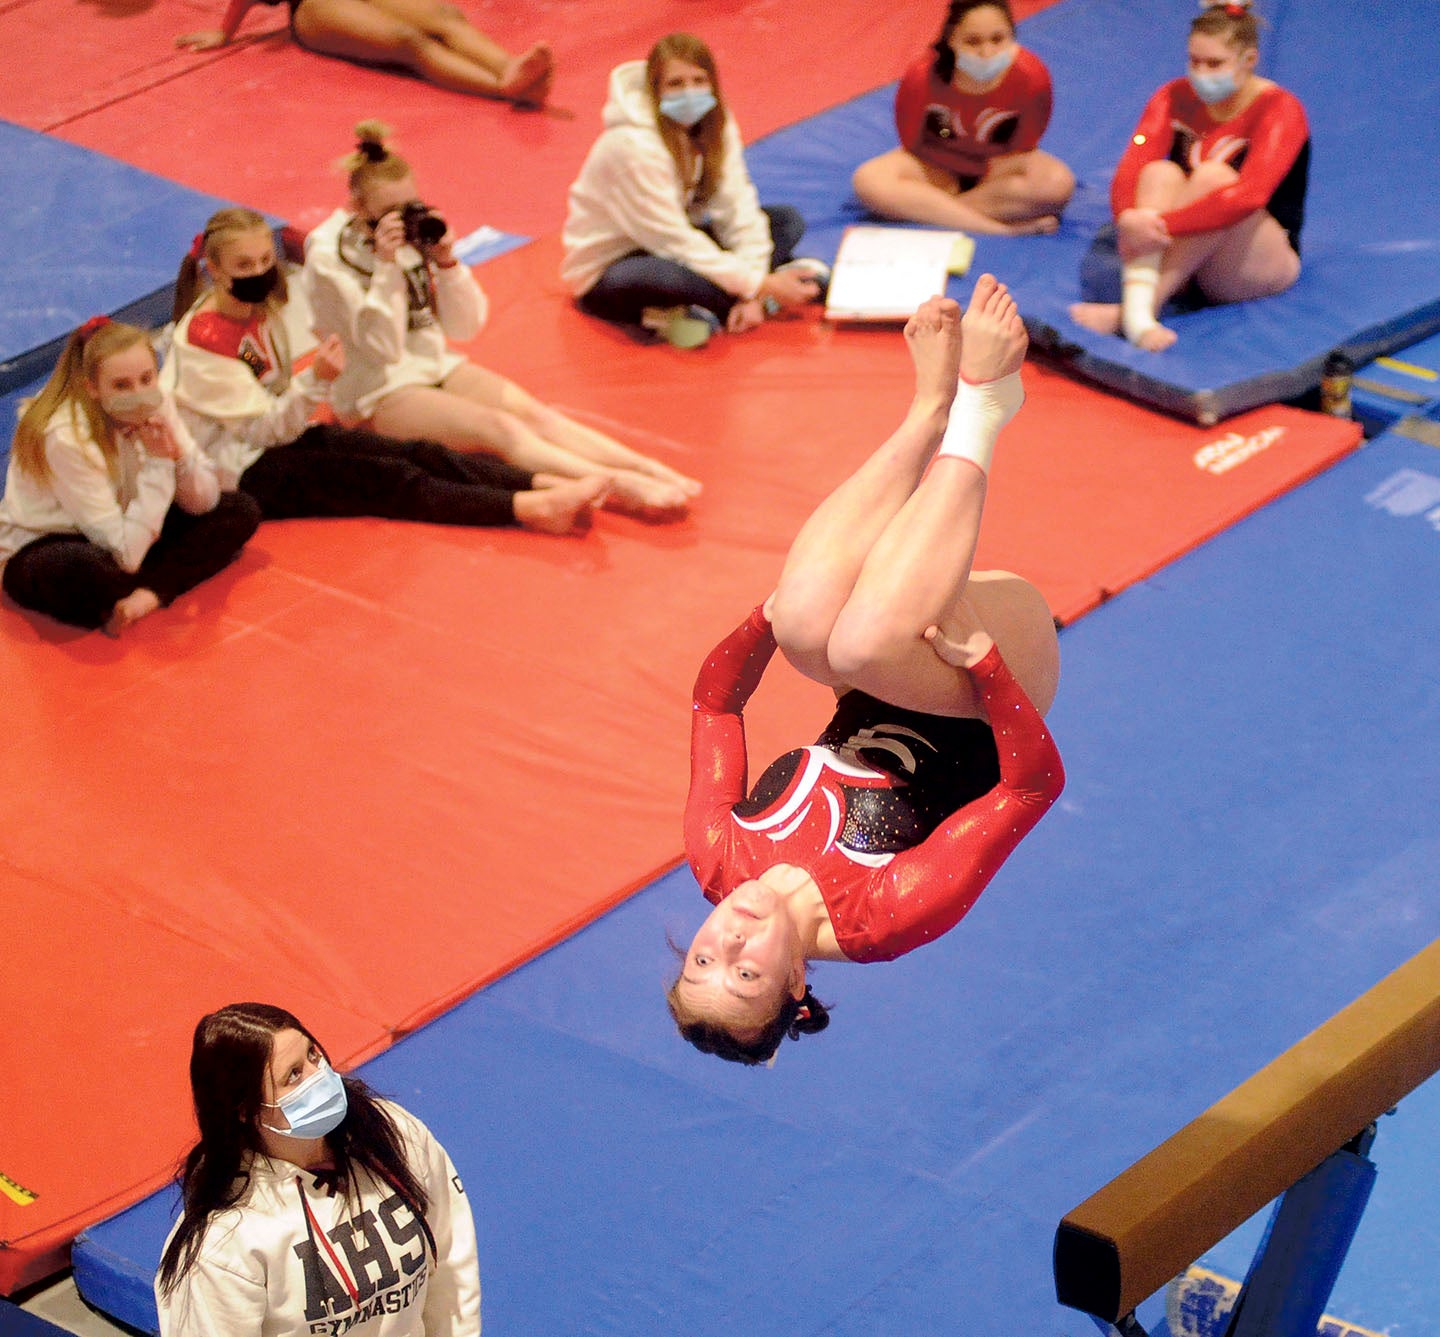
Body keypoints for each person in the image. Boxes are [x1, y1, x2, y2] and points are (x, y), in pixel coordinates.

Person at [671, 278, 1064, 1065]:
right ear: (791, 986)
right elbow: (1032, 788)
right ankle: (984, 404)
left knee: (808, 622)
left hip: (880, 663)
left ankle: (928, 411)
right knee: (855, 648)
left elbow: (715, 705)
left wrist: (762, 620)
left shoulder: (718, 857)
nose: (730, 936)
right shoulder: (881, 917)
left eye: (702, 958)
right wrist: (985, 667)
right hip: (990, 690)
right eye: (744, 971)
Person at [303, 121, 700, 520]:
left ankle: (644, 467)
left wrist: (447, 262)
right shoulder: (328, 257)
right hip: (374, 390)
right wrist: (388, 267)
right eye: (389, 213)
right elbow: (383, 350)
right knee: (501, 430)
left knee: (534, 415)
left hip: (431, 364)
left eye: (409, 208)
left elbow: (465, 328)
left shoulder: (410, 236)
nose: (402, 221)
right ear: (357, 209)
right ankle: (619, 487)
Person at [168, 207, 609, 537]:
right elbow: (265, 430)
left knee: (413, 452)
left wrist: (307, 389)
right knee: (390, 481)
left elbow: (273, 406)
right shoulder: (203, 342)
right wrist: (316, 379)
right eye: (244, 265)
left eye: (266, 259)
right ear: (216, 269)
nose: (261, 272)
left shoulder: (255, 309)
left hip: (275, 434)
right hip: (237, 470)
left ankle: (539, 481)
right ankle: (530, 508)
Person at [155, 1002, 480, 1336]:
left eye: (313, 1055)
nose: (319, 1076)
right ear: (245, 1109)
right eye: (293, 1075)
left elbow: (452, 1262)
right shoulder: (224, 1243)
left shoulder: (392, 1136)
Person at [561, 33, 828, 348]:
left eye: (699, 80)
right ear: (655, 89)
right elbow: (671, 241)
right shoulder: (631, 147)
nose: (689, 92)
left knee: (786, 220)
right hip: (617, 267)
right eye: (675, 84)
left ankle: (717, 309)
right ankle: (770, 296)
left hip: (678, 241)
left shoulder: (717, 123)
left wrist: (754, 282)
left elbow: (738, 205)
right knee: (665, 278)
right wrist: (760, 285)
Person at [1069, 0, 1309, 352]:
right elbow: (1134, 164)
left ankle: (1135, 313)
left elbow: (1248, 197)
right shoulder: (1173, 96)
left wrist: (1162, 225)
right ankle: (1142, 307)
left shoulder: (1281, 109)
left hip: (1254, 265)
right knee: (1159, 172)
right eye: (1194, 61)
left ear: (1249, 61)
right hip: (1187, 260)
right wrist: (1127, 218)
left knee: (1214, 180)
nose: (1201, 73)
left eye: (1215, 64)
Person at [0, 319, 259, 636]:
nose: (138, 393)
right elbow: (127, 555)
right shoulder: (66, 435)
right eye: (121, 386)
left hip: (124, 524)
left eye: (146, 379)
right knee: (92, 573)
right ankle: (160, 578)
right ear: (91, 387)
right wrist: (159, 464)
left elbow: (203, 503)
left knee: (238, 509)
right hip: (50, 542)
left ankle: (148, 595)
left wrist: (178, 457)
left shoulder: (157, 402)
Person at [851, 1, 1074, 237]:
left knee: (1057, 183)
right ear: (951, 39)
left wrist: (983, 174)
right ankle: (998, 228)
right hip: (936, 168)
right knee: (869, 180)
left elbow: (1025, 144)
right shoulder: (922, 77)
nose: (986, 52)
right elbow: (911, 142)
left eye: (998, 39)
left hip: (997, 174)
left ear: (1012, 36)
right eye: (972, 41)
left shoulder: (1033, 77)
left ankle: (931, 211)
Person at [175, 0, 553, 106]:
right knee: (406, 40)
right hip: (312, 7)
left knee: (444, 15)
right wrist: (225, 32)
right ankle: (502, 86)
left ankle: (511, 66)